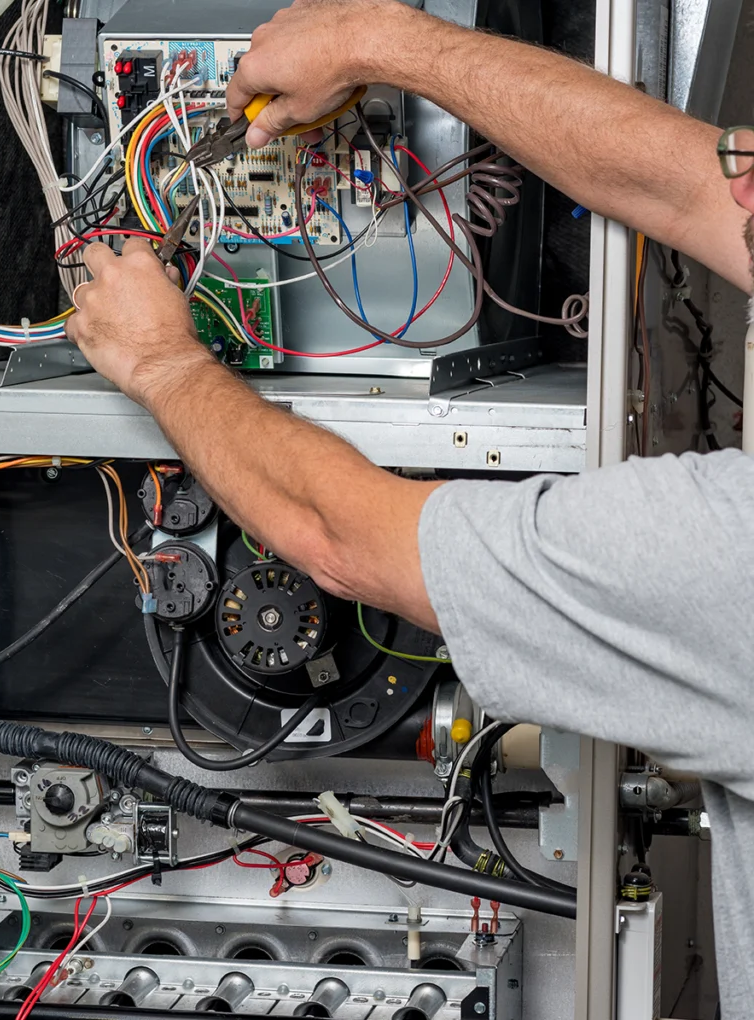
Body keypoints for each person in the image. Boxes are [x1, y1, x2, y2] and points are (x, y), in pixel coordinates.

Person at [65, 2, 754, 1011]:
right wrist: (376, 41)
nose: (739, 173)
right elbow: (691, 180)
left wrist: (164, 363)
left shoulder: (724, 555)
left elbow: (344, 539)